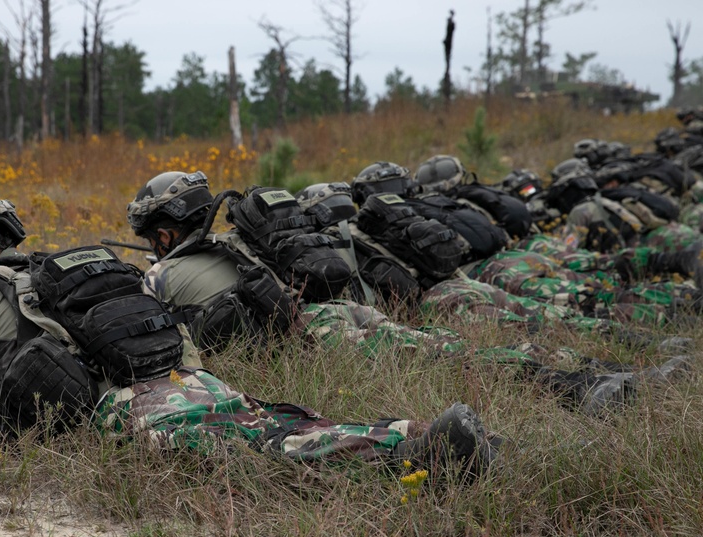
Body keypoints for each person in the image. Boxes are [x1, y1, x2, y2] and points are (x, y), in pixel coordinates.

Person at [0, 192, 496, 477]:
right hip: (190, 378)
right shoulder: (76, 272)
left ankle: (418, 455)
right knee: (278, 423)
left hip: (127, 411)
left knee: (267, 454)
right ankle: (414, 436)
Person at [127, 172, 648, 417]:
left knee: (446, 361)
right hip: (334, 310)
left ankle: (579, 387)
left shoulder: (160, 277)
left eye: (154, 236)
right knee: (448, 350)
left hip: (311, 337)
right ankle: (582, 372)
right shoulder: (240, 236)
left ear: (166, 233)